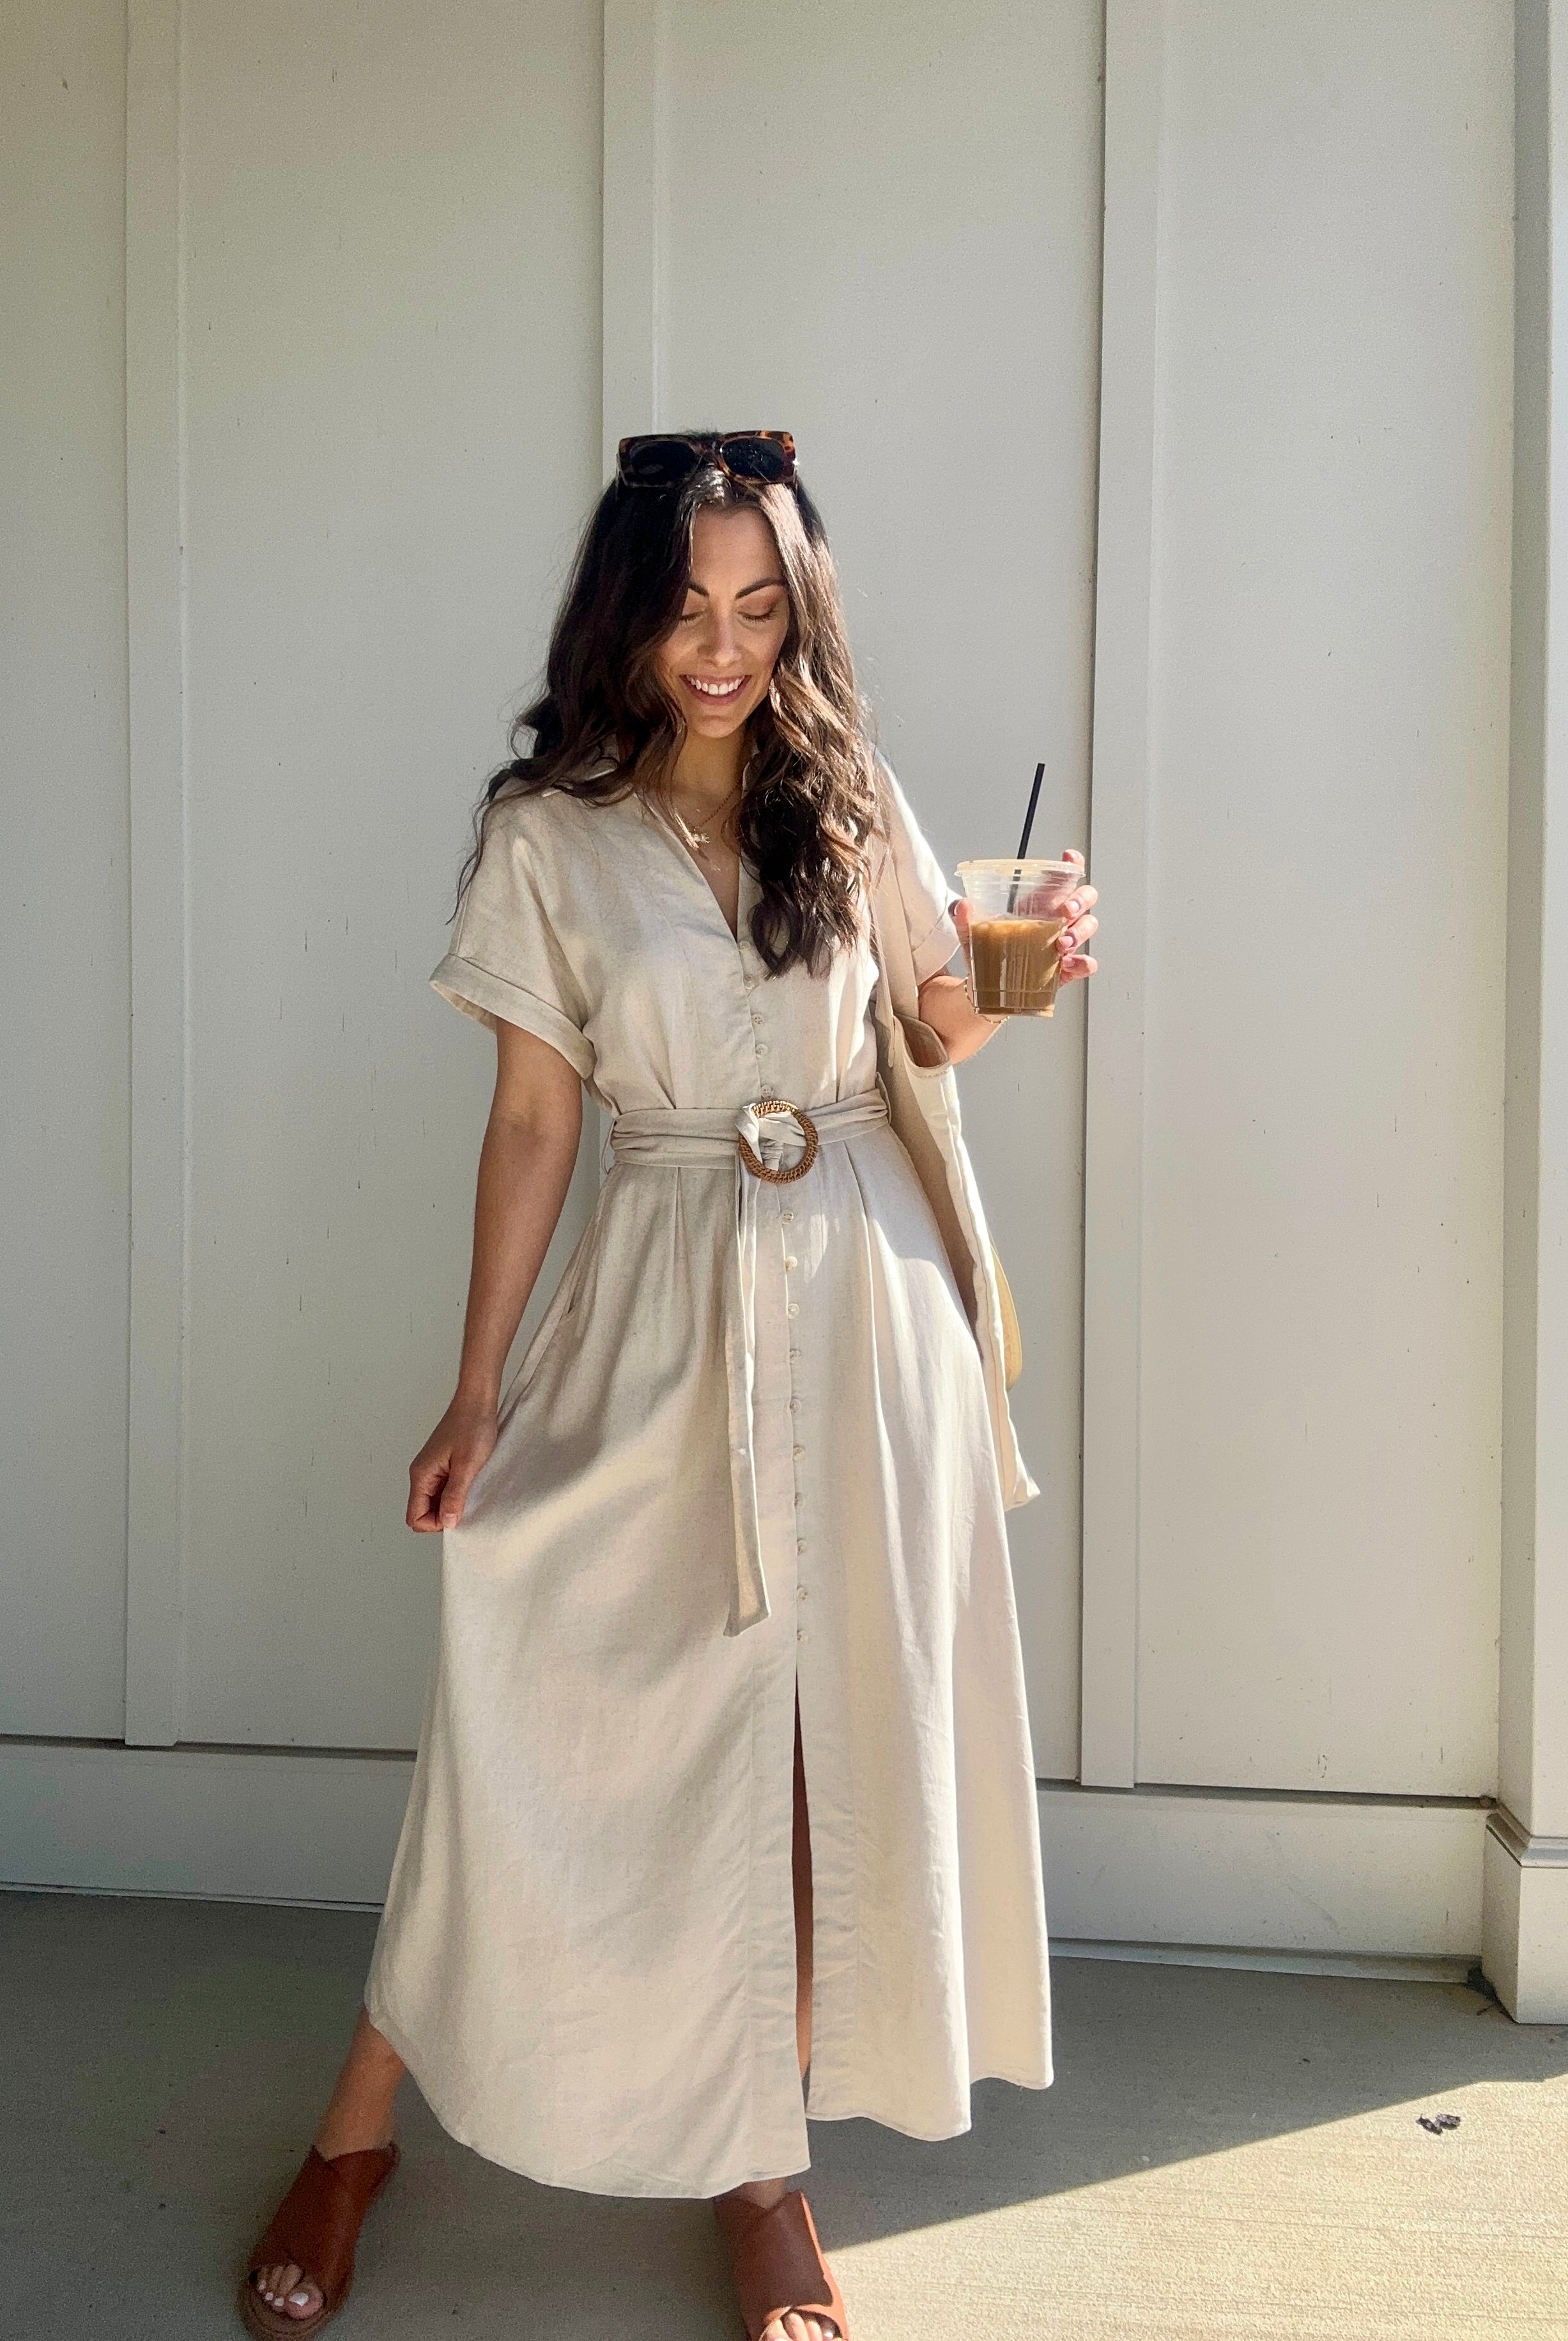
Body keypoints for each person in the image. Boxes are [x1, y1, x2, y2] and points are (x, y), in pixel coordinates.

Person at [240, 429, 1100, 2341]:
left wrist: (1025, 979)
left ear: (800, 611)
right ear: (624, 613)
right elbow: (537, 1120)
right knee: (531, 1719)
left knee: (805, 1753)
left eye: (761, 604)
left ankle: (764, 2170)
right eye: (689, 607)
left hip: (866, 1308)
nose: (724, 647)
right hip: (651, 1303)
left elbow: (927, 1022)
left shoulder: (850, 792)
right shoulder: (549, 833)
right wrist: (474, 1392)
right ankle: (365, 2114)